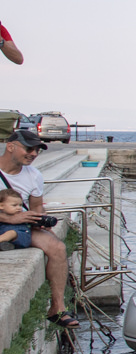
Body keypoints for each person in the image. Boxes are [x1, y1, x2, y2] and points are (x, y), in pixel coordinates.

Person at [0, 130, 78, 327]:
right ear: (11, 146)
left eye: (37, 150)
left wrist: (41, 222)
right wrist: (14, 217)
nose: (33, 154)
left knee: (58, 248)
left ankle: (57, 309)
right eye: (29, 148)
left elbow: (36, 207)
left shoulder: (34, 175)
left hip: (21, 224)